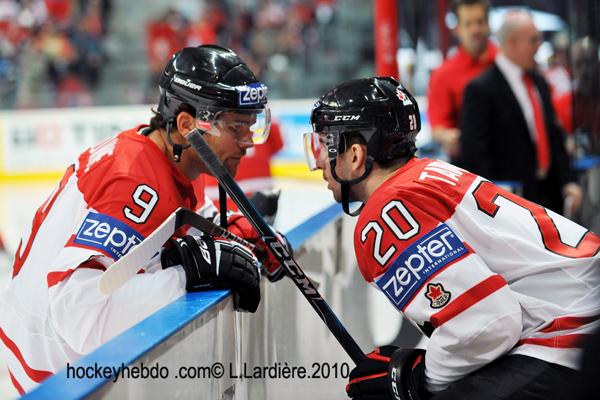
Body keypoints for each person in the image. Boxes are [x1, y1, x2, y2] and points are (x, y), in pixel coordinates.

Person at [0, 45, 285, 394]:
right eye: (237, 127)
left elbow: (171, 221)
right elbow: (79, 314)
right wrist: (187, 275)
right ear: (186, 125)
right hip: (61, 379)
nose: (249, 143)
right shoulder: (135, 183)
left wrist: (232, 230)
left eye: (253, 127)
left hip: (56, 361)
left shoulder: (161, 156)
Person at [303, 76, 600, 399]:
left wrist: (420, 378)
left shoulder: (385, 214)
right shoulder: (429, 174)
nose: (318, 162)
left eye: (324, 144)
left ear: (357, 154)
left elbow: (487, 323)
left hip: (573, 333)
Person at [459, 10, 581, 215]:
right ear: (512, 43)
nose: (539, 46)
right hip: (511, 204)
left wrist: (568, 181)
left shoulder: (538, 82)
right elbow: (474, 154)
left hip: (549, 196)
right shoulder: (481, 89)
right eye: (533, 40)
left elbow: (553, 135)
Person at [426, 0, 496, 160]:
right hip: (470, 162)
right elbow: (438, 127)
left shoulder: (506, 63)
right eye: (468, 24)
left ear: (488, 24)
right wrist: (448, 136)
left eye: (480, 22)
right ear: (457, 29)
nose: (475, 29)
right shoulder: (443, 74)